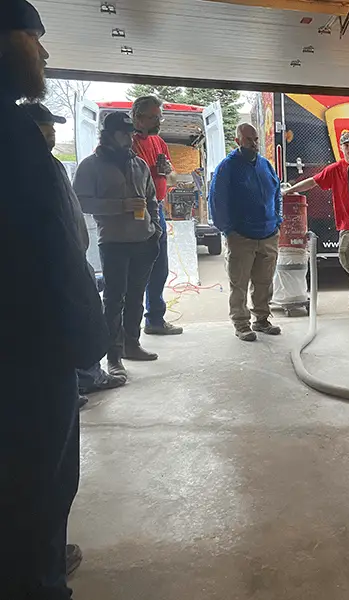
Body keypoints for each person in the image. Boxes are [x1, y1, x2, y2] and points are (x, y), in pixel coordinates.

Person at [0, 2, 109, 596]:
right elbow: (51, 255)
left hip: (28, 344)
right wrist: (87, 341)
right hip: (27, 352)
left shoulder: (16, 138)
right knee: (36, 480)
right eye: (32, 36)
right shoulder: (13, 145)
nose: (42, 52)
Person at [21, 101, 127, 406]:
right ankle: (66, 387)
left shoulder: (49, 163)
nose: (52, 131)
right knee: (63, 324)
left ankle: (87, 378)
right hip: (51, 262)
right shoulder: (25, 167)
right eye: (46, 126)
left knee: (82, 317)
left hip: (72, 256)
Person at [73, 111, 162, 378]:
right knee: (114, 300)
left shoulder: (140, 165)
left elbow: (152, 200)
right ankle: (114, 355)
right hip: (113, 242)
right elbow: (81, 202)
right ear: (108, 134)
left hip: (143, 241)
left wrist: (155, 230)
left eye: (131, 134)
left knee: (136, 298)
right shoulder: (91, 166)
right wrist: (120, 206)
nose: (129, 139)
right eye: (124, 133)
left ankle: (132, 345)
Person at [283, 131, 349, 315]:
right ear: (341, 148)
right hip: (347, 226)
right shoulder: (336, 169)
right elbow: (313, 182)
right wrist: (291, 190)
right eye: (347, 145)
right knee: (346, 259)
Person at [209, 123, 283, 341]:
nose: (254, 143)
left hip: (268, 233)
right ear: (238, 141)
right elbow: (217, 200)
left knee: (264, 281)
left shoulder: (265, 165)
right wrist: (228, 230)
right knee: (239, 284)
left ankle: (261, 320)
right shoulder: (228, 167)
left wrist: (277, 220)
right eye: (249, 139)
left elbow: (277, 192)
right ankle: (241, 323)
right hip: (241, 236)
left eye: (256, 139)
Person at [131, 95, 184, 336]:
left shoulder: (158, 143)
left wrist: (164, 172)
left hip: (158, 208)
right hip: (135, 211)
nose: (158, 122)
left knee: (159, 267)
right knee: (136, 268)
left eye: (159, 116)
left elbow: (173, 177)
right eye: (153, 117)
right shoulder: (129, 143)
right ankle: (129, 327)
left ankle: (154, 320)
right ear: (138, 118)